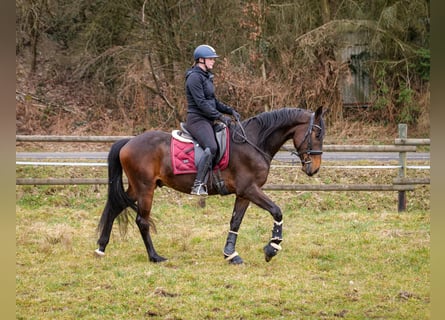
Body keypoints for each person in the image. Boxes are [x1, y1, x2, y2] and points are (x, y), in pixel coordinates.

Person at [184, 44, 240, 196]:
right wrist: (220, 117)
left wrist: (230, 111)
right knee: (212, 147)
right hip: (197, 119)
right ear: (201, 60)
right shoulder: (194, 78)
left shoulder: (206, 77)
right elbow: (201, 104)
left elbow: (213, 102)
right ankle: (198, 184)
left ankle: (218, 178)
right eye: (211, 59)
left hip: (208, 119)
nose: (213, 61)